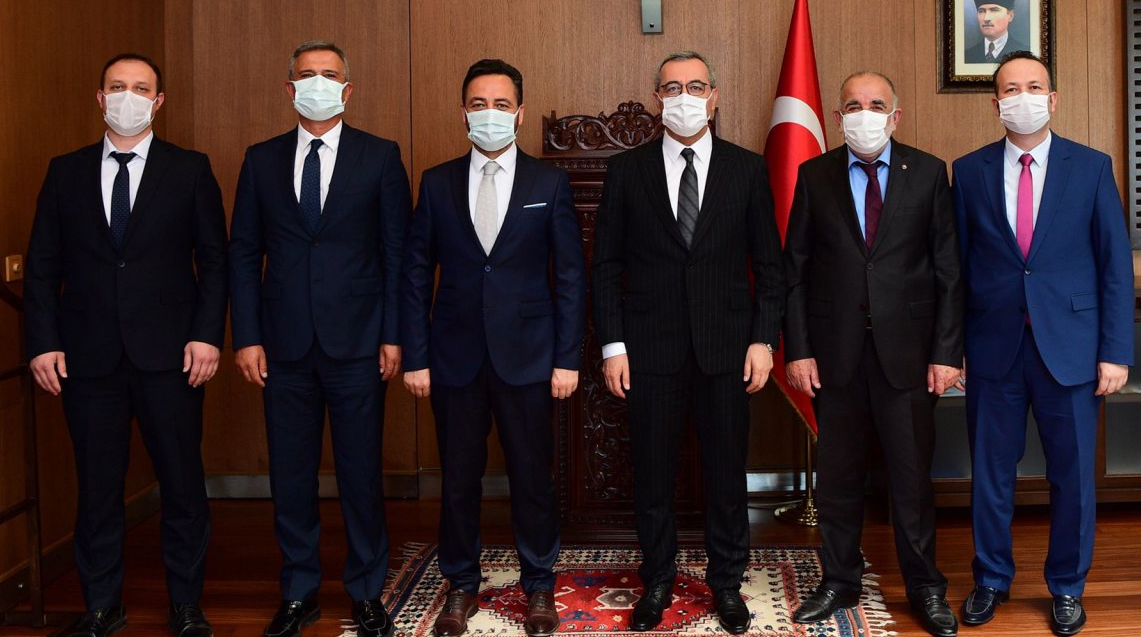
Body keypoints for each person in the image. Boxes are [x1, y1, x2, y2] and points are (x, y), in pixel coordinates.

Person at [24, 53, 226, 637]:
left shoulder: (190, 169)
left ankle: (185, 604)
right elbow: (42, 267)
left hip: (172, 357)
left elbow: (214, 262)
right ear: (100, 97)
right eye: (118, 86)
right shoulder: (65, 172)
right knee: (97, 490)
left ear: (158, 102)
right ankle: (101, 606)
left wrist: (207, 335)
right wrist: (42, 342)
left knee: (182, 486)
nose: (128, 97)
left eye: (141, 88)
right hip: (87, 359)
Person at [591, 50, 784, 635]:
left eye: (695, 87)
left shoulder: (747, 169)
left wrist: (764, 340)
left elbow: (770, 267)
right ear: (657, 99)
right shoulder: (628, 171)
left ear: (714, 96)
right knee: (653, 475)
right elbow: (606, 268)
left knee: (726, 476)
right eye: (672, 88)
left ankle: (726, 583)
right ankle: (658, 580)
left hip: (727, 350)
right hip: (649, 350)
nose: (684, 97)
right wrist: (613, 346)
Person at [228, 40, 409, 637]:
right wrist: (246, 336)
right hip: (282, 346)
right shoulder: (260, 160)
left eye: (330, 75)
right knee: (291, 475)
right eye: (307, 75)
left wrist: (393, 335)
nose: (318, 83)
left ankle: (367, 592)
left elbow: (396, 253)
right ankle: (299, 592)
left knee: (360, 473)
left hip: (358, 344)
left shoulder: (380, 156)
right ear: (289, 89)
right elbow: (243, 253)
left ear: (347, 90)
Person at [401, 58, 585, 637]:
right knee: (459, 480)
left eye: (501, 105)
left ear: (520, 113)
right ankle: (460, 584)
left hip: (529, 358)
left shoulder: (548, 183)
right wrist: (416, 356)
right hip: (453, 359)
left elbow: (570, 277)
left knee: (533, 478)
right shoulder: (436, 182)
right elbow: (415, 275)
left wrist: (568, 358)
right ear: (463, 112)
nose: (490, 114)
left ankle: (539, 584)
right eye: (479, 104)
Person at [951, 51, 1133, 636]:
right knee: (991, 475)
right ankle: (990, 579)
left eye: (1034, 87)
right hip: (993, 348)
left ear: (1052, 99)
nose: (1022, 97)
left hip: (1072, 350)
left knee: (1073, 478)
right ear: (995, 103)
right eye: (1011, 89)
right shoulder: (969, 171)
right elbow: (957, 269)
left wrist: (1116, 350)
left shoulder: (1092, 167)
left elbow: (1115, 265)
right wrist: (952, 347)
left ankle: (1068, 587)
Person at [783, 72, 963, 637]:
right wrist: (799, 350)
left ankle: (925, 587)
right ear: (838, 118)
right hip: (834, 356)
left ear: (895, 115)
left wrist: (946, 353)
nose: (865, 114)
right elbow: (795, 273)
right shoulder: (814, 175)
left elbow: (948, 272)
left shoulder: (929, 173)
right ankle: (840, 580)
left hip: (908, 356)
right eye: (854, 106)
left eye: (876, 104)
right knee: (837, 480)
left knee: (910, 480)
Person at [964, 0, 1030, 64]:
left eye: (994, 10)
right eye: (981, 11)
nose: (986, 18)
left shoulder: (1025, 54)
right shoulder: (966, 56)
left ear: (1010, 16)